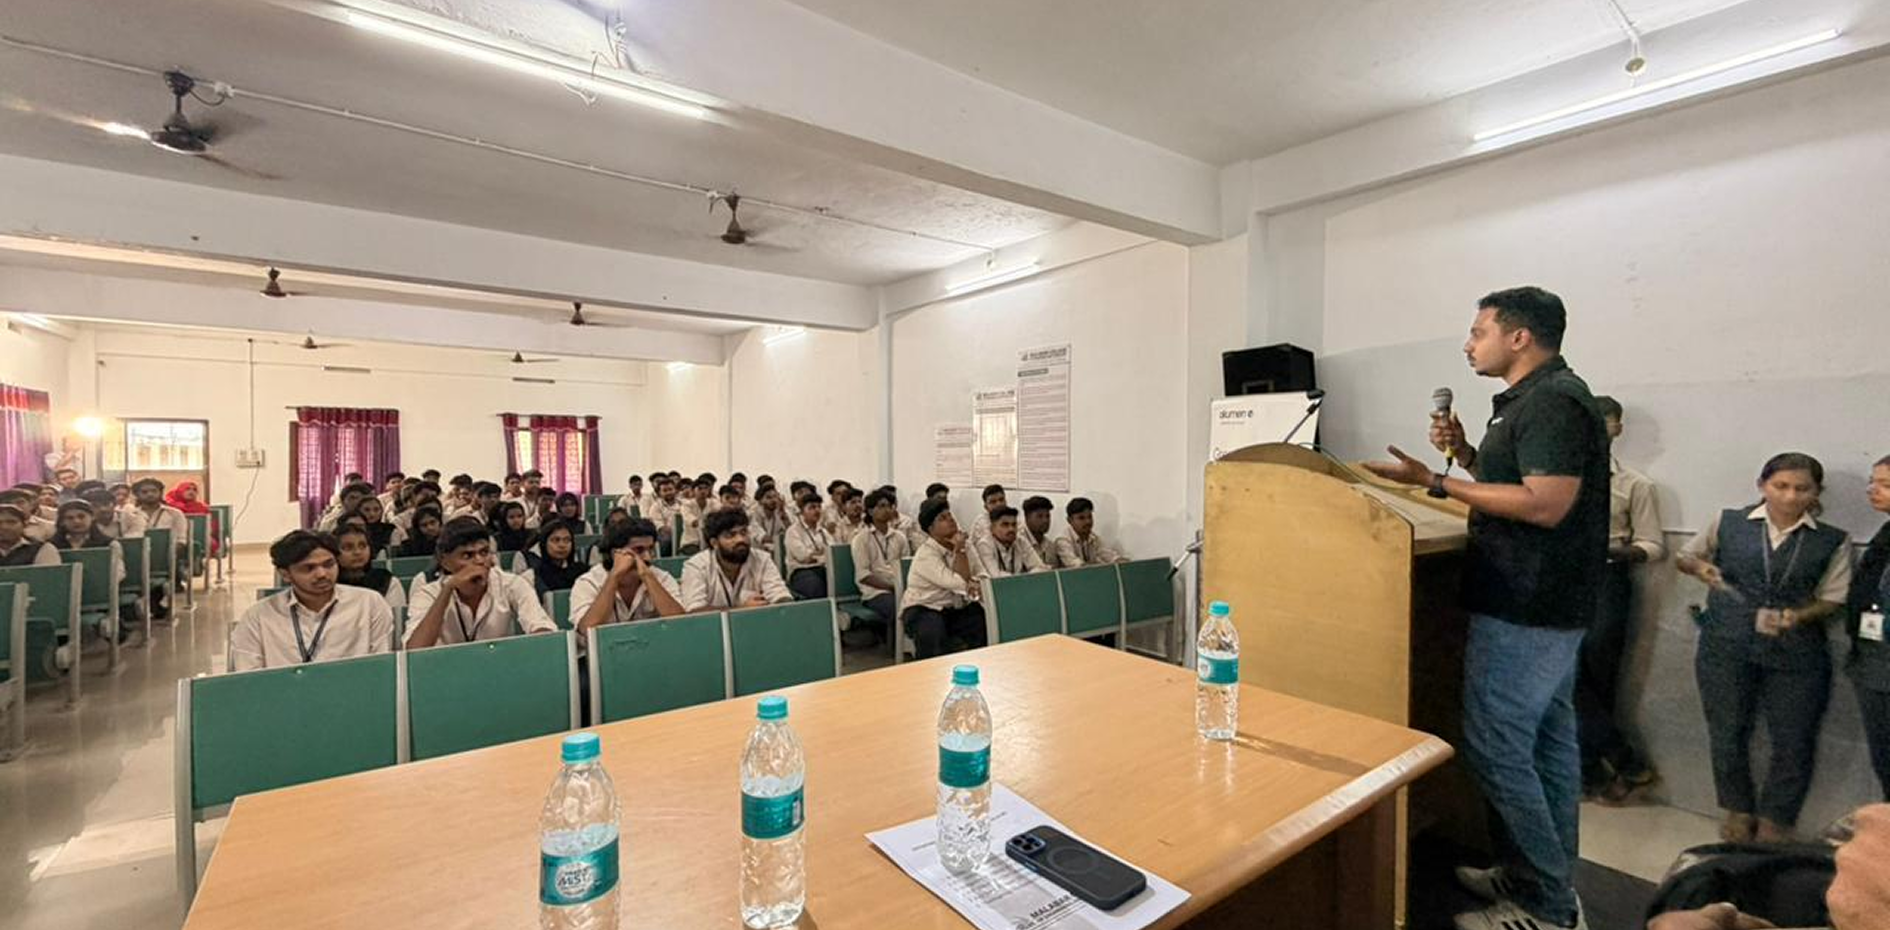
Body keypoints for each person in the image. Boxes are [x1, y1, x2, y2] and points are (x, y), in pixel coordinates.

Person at [1363, 286, 1608, 930]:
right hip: (1541, 603)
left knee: (1498, 748)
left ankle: (1546, 906)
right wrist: (1465, 455)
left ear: (1519, 337)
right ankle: (1537, 876)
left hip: (1527, 604)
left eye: (1479, 332)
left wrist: (1436, 482)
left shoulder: (1552, 401)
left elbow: (1547, 504)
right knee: (1549, 747)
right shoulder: (1532, 402)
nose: (1469, 344)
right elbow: (1522, 487)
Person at [1674, 452, 1852, 843]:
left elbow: (1834, 598)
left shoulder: (1831, 540)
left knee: (1794, 736)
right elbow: (1685, 556)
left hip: (1797, 652)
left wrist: (1798, 616)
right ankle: (1737, 808)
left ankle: (1777, 818)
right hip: (1726, 641)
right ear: (1762, 486)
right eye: (1780, 486)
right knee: (1727, 727)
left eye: (1802, 489)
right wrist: (1700, 568)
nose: (1790, 497)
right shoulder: (1730, 522)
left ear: (1816, 492)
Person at [1579, 395, 1666, 802]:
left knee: (1598, 674)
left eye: (1606, 421)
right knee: (1564, 675)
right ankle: (1621, 759)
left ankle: (1593, 774)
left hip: (1608, 579)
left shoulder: (1635, 485)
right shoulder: (1560, 480)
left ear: (1618, 429)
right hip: (1562, 579)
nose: (1597, 429)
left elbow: (1653, 545)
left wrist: (1611, 551)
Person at [229, 531, 394, 671]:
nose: (322, 574)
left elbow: (382, 667)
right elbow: (249, 678)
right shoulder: (259, 617)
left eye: (329, 564)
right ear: (285, 574)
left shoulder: (369, 603)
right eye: (309, 568)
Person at [405, 518, 556, 648]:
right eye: (467, 555)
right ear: (445, 561)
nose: (479, 561)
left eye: (484, 552)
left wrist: (540, 636)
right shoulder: (427, 593)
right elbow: (415, 649)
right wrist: (448, 589)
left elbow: (542, 628)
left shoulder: (511, 584)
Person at [899, 498, 986, 660]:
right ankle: (928, 676)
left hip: (952, 608)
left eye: (950, 515)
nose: (951, 520)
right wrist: (959, 550)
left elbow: (983, 575)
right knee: (932, 627)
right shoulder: (926, 554)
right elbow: (958, 583)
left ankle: (976, 667)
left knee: (980, 617)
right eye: (942, 518)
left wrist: (975, 580)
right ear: (931, 529)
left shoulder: (965, 545)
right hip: (922, 608)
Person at [1850, 455, 1890, 802]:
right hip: (1874, 662)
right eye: (1873, 481)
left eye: (1886, 485)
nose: (1873, 490)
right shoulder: (1885, 535)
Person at [571, 518, 686, 632]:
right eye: (638, 550)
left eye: (650, 549)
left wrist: (647, 577)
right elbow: (587, 630)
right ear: (615, 553)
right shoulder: (588, 582)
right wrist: (614, 577)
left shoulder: (661, 578)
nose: (648, 557)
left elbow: (681, 625)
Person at [679, 509, 792, 611]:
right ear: (714, 543)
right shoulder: (696, 566)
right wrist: (740, 610)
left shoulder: (762, 559)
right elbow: (695, 611)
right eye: (730, 535)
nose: (740, 539)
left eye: (743, 532)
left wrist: (783, 606)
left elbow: (781, 595)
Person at [130, 478, 189, 619]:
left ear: (160, 493)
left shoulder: (175, 514)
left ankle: (159, 595)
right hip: (137, 559)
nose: (150, 494)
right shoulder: (130, 515)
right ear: (137, 495)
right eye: (144, 492)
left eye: (153, 491)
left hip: (166, 557)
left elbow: (181, 540)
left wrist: (166, 555)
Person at [852, 490, 910, 629]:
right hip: (875, 592)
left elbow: (906, 567)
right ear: (871, 511)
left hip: (900, 587)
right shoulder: (861, 539)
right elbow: (863, 575)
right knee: (897, 607)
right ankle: (897, 647)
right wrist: (891, 587)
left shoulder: (899, 537)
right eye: (882, 506)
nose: (887, 510)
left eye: (889, 506)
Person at [333, 524, 405, 611]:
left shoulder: (385, 581)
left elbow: (395, 619)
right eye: (348, 547)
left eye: (362, 546)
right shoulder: (329, 584)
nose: (357, 552)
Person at [974, 505, 1050, 579]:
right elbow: (995, 576)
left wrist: (1022, 578)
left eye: (1014, 525)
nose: (1011, 529)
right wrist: (1025, 577)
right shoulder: (984, 544)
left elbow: (1041, 568)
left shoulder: (1020, 541)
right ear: (992, 528)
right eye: (1005, 525)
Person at [783, 493, 832, 600]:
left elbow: (833, 552)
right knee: (815, 585)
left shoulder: (823, 531)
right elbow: (804, 557)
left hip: (823, 569)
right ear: (802, 511)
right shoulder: (793, 531)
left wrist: (817, 555)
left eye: (819, 507)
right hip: (801, 572)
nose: (817, 511)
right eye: (812, 507)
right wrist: (822, 555)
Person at [527, 519, 591, 596]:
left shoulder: (583, 571)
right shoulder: (534, 576)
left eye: (567, 540)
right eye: (556, 540)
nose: (562, 545)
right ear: (544, 544)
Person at [1054, 498, 1123, 567]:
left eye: (1090, 517)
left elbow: (1108, 555)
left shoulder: (1094, 537)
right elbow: (1077, 565)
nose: (1088, 522)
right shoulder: (1062, 540)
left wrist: (1122, 562)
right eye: (1081, 518)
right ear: (1069, 520)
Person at [1020, 496, 1058, 567]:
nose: (1045, 521)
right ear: (1027, 518)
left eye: (1048, 516)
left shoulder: (1050, 546)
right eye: (1039, 516)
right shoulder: (1018, 543)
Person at [752, 485, 791, 551]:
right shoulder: (753, 515)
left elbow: (790, 532)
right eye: (768, 497)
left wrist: (783, 514)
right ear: (760, 501)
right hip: (757, 553)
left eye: (775, 496)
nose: (773, 500)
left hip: (774, 551)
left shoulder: (777, 513)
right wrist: (780, 539)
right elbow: (763, 538)